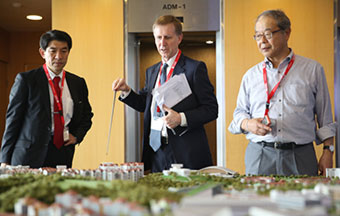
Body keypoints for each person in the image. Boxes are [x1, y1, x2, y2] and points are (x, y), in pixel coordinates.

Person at [229, 10, 337, 176]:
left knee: (305, 201)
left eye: (267, 34)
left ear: (286, 33)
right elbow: (239, 114)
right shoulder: (251, 75)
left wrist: (328, 151)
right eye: (257, 36)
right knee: (258, 201)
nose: (262, 41)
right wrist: (247, 124)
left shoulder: (312, 69)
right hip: (260, 154)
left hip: (300, 155)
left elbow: (325, 117)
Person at [113, 15, 218, 173]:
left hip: (185, 152)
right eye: (158, 38)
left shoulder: (194, 69)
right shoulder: (152, 71)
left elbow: (211, 109)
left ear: (179, 38)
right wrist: (127, 91)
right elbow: (146, 105)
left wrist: (180, 118)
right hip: (157, 150)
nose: (162, 43)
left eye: (167, 37)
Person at [0, 30, 93, 168]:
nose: (58, 56)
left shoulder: (77, 83)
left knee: (60, 189)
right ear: (43, 53)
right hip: (28, 155)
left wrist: (77, 136)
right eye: (53, 51)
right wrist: (4, 159)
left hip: (62, 152)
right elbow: (13, 120)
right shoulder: (27, 80)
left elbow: (87, 116)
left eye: (64, 51)